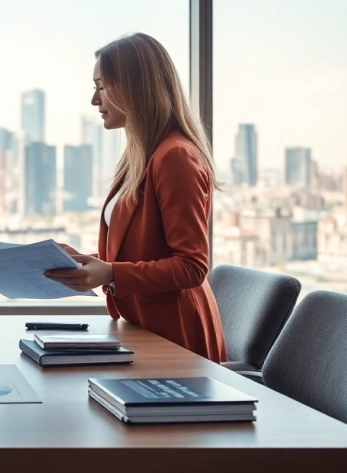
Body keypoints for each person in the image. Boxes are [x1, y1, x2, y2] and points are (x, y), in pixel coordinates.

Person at [44, 33, 227, 362]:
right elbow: (142, 247)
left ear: (133, 87)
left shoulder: (175, 157)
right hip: (144, 328)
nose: (94, 100)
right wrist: (87, 264)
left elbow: (192, 267)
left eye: (102, 87)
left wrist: (111, 272)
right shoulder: (141, 155)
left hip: (177, 336)